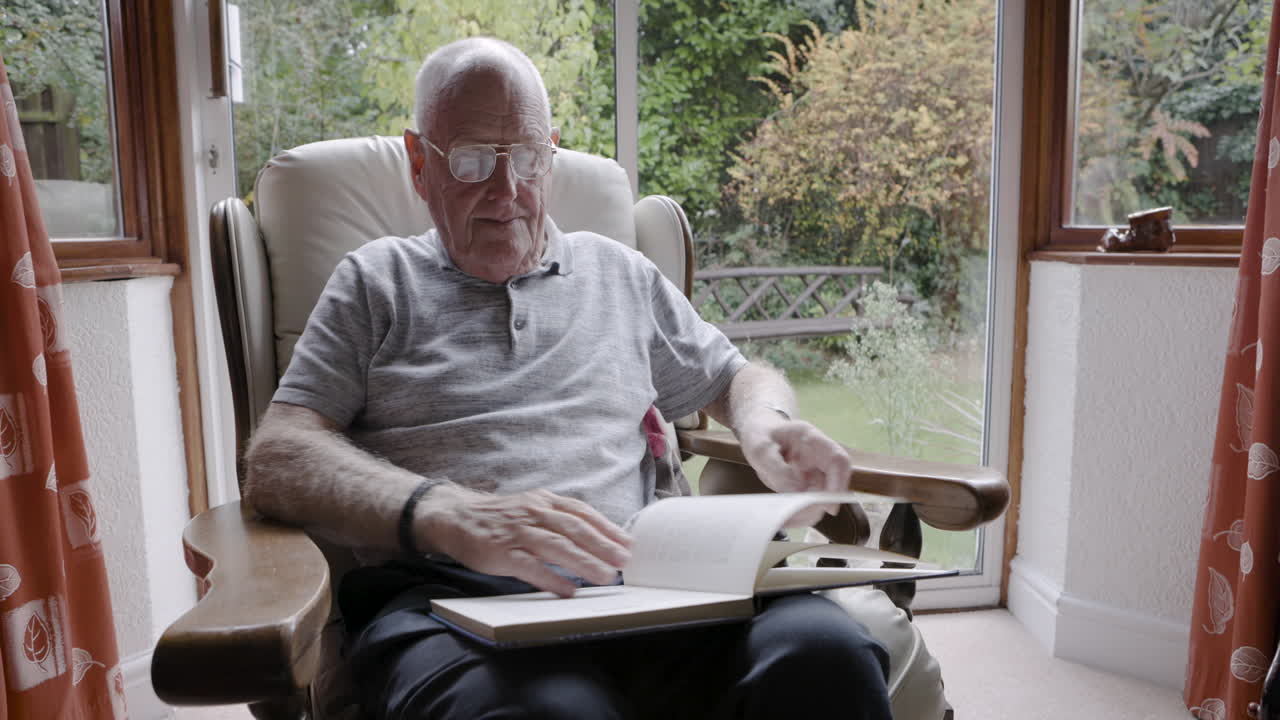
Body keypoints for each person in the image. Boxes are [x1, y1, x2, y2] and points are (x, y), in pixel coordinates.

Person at [243, 37, 892, 720]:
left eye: (527, 158)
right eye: (470, 160)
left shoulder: (621, 273)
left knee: (826, 655)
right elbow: (278, 456)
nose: (507, 192)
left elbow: (737, 377)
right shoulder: (376, 283)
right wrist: (445, 512)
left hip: (654, 587)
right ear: (418, 164)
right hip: (454, 604)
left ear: (550, 150)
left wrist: (767, 423)